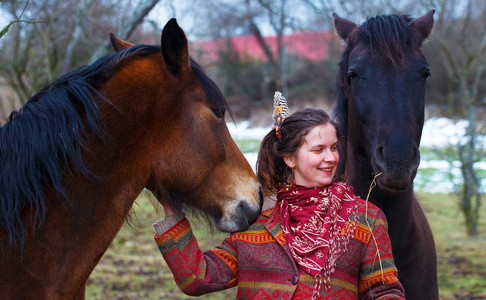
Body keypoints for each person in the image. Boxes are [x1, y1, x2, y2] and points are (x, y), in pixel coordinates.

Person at [153, 92, 405, 299]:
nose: (331, 158)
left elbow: (384, 290)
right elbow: (198, 278)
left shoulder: (365, 219)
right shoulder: (257, 223)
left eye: (334, 148)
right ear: (290, 158)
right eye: (318, 150)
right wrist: (169, 207)